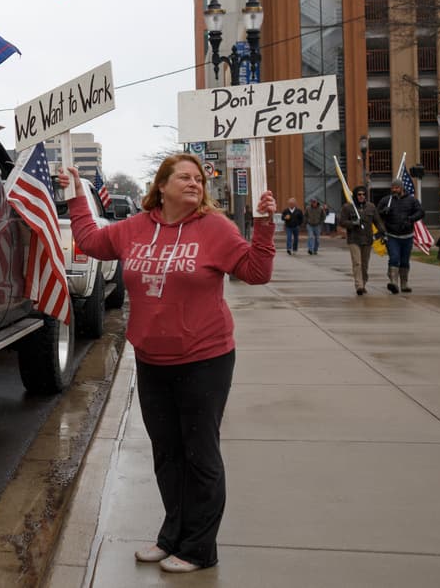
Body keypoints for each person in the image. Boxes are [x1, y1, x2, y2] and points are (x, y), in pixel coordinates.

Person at [57, 154, 276, 574]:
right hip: (151, 360)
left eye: (199, 179)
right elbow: (89, 241)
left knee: (200, 455)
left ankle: (199, 548)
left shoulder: (215, 228)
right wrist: (75, 195)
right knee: (167, 454)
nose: (195, 183)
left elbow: (256, 271)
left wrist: (264, 225)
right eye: (184, 177)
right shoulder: (135, 228)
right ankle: (171, 536)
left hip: (205, 359)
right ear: (161, 186)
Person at [377, 177, 425, 294]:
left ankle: (404, 283)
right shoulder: (386, 200)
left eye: (397, 188)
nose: (394, 190)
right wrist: (383, 212)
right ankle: (393, 282)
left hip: (407, 236)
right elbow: (377, 215)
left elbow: (421, 212)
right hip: (391, 235)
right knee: (394, 258)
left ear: (402, 188)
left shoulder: (412, 200)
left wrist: (410, 219)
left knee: (404, 261)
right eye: (393, 188)